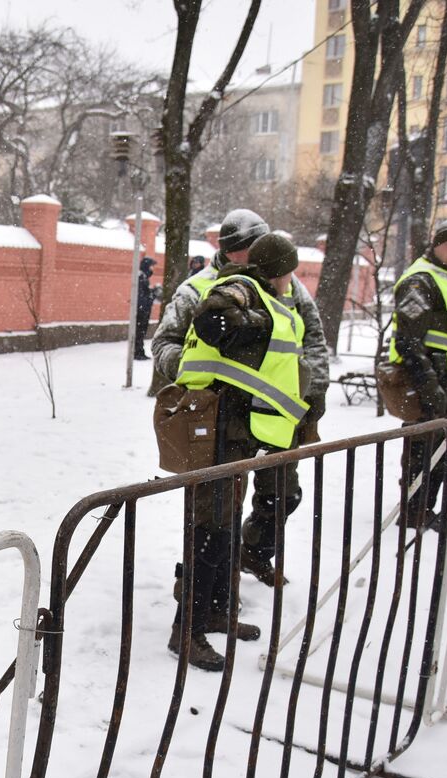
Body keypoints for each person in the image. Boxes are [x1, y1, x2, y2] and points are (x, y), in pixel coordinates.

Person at [150, 208, 330, 589]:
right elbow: (163, 344)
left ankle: (255, 554)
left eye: (259, 246)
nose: (254, 256)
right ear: (227, 252)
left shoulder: (289, 285)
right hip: (221, 417)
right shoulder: (199, 289)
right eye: (244, 249)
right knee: (216, 514)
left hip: (279, 414)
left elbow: (311, 338)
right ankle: (209, 597)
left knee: (282, 495)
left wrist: (313, 392)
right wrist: (201, 369)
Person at [168, 233, 312, 668]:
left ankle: (216, 611)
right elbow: (213, 320)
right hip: (212, 429)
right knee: (210, 529)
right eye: (290, 270)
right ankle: (185, 631)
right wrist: (257, 328)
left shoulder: (263, 296)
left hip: (234, 432)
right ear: (279, 270)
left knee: (225, 528)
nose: (292, 279)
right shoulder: (241, 288)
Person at [388, 218, 447, 529]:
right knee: (422, 450)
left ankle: (426, 509)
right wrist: (430, 387)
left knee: (441, 450)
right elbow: (408, 341)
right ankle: (414, 513)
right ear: (436, 244)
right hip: (430, 380)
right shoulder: (421, 280)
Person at [134, 256, 157, 360]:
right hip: (141, 310)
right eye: (152, 266)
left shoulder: (143, 276)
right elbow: (141, 296)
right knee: (140, 331)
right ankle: (138, 352)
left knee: (141, 331)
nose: (153, 268)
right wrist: (151, 295)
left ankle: (139, 351)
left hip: (142, 309)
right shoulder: (141, 277)